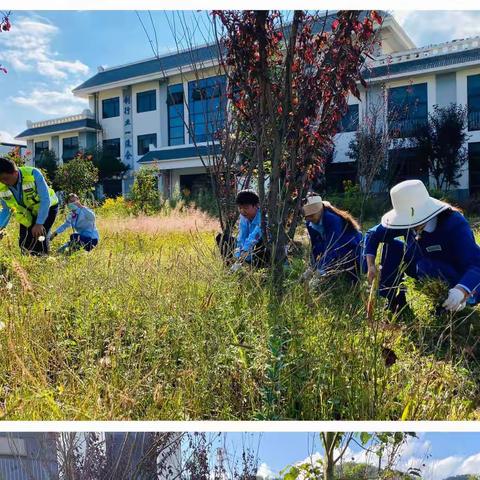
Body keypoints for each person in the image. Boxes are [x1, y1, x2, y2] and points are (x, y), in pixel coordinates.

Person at [364, 179, 480, 313]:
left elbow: (476, 264)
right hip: (420, 266)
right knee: (392, 248)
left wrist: (461, 290)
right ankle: (394, 301)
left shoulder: (454, 224)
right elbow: (373, 234)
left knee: (426, 265)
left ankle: (446, 305)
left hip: (458, 277)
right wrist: (371, 265)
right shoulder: (404, 223)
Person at [300, 193, 363, 289]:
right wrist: (312, 267)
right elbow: (315, 246)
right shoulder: (310, 223)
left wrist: (320, 271)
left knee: (351, 285)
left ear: (320, 211)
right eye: (307, 216)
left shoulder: (332, 219)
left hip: (350, 249)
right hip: (333, 249)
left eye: (312, 216)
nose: (309, 219)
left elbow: (333, 246)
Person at [0, 157, 58, 255]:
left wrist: (39, 223)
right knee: (24, 242)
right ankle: (28, 264)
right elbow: (6, 210)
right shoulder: (1, 186)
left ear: (15, 172)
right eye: (0, 180)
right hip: (26, 213)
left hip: (47, 207)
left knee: (40, 238)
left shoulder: (33, 173)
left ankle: (42, 262)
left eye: (5, 178)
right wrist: (0, 228)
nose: (3, 182)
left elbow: (45, 200)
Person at [229, 189, 269, 272]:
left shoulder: (263, 218)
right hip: (248, 250)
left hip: (263, 249)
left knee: (260, 243)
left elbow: (255, 236)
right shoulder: (243, 218)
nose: (242, 211)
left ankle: (260, 269)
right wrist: (238, 255)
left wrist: (244, 252)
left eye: (246, 208)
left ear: (256, 205)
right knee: (222, 238)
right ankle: (234, 265)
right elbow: (242, 236)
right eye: (240, 208)